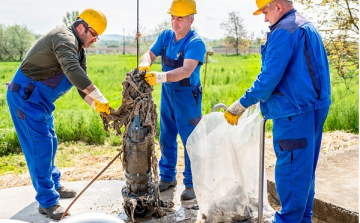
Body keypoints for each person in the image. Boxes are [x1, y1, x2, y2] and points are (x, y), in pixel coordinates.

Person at [224, 0, 331, 222]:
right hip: (315, 109)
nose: (264, 18)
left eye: (265, 11)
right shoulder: (306, 25)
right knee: (304, 173)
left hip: (293, 112)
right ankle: (304, 218)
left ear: (278, 7)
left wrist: (241, 105)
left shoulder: (283, 31)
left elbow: (268, 79)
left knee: (291, 175)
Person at [6, 8, 112, 220]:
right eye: (93, 35)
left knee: (51, 142)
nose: (94, 40)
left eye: (97, 37)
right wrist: (101, 98)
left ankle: (54, 185)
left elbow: (82, 87)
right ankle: (47, 202)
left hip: (41, 102)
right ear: (81, 27)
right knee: (41, 147)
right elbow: (72, 70)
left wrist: (100, 108)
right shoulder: (63, 37)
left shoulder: (80, 50)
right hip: (26, 99)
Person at [139, 0, 206, 200]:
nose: (175, 23)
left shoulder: (196, 42)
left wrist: (160, 77)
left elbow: (186, 71)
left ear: (191, 19)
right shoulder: (166, 37)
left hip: (187, 97)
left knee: (191, 141)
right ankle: (167, 177)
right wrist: (144, 63)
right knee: (166, 136)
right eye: (173, 17)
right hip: (168, 95)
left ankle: (193, 184)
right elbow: (149, 54)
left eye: (180, 18)